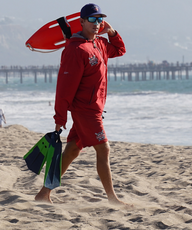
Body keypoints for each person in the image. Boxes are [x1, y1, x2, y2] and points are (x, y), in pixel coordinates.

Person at [35, 3, 130, 207]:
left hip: (94, 108)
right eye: (92, 20)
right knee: (103, 150)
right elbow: (64, 88)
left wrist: (112, 32)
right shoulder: (75, 50)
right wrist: (60, 118)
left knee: (71, 151)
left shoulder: (101, 44)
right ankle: (112, 199)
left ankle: (43, 193)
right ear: (82, 22)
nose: (97, 24)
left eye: (100, 20)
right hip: (85, 111)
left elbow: (120, 50)